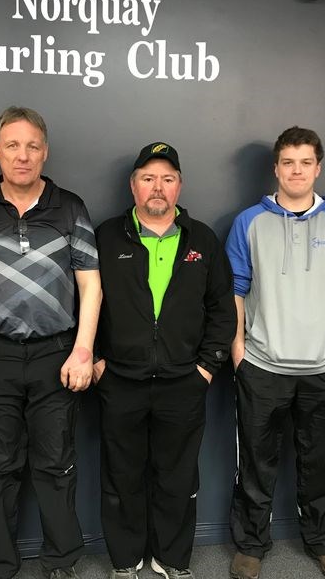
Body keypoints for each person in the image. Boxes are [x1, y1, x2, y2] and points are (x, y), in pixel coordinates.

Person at [0, 106, 101, 579]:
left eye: (32, 146)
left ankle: (60, 561)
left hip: (57, 354)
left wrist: (83, 350)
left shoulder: (70, 208)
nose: (23, 155)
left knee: (56, 464)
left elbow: (91, 286)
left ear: (45, 152)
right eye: (12, 145)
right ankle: (2, 565)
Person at [226, 126, 325, 579]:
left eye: (306, 162)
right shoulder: (249, 222)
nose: (297, 170)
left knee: (323, 463)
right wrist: (239, 353)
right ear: (277, 169)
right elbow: (234, 292)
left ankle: (324, 543)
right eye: (289, 162)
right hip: (263, 366)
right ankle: (250, 545)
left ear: (317, 168)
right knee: (256, 464)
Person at [93, 142, 236, 579]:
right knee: (122, 477)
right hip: (119, 380)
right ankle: (126, 559)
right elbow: (82, 302)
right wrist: (97, 360)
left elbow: (222, 309)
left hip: (183, 383)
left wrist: (207, 367)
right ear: (133, 185)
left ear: (180, 186)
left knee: (178, 478)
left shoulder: (203, 240)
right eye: (148, 178)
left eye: (168, 178)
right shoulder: (106, 236)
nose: (158, 187)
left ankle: (171, 559)